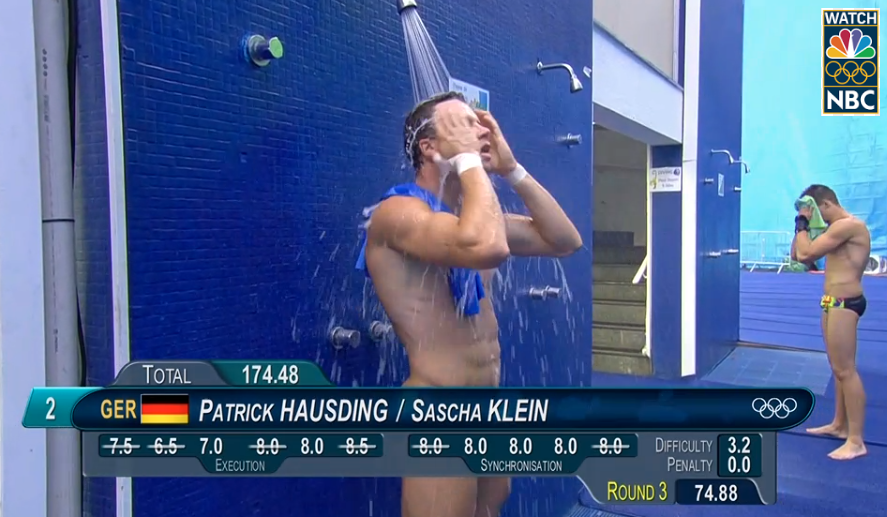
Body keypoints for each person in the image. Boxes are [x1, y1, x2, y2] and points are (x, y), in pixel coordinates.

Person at [356, 91, 582, 517]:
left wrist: (512, 170)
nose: (480, 132)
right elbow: (485, 247)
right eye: (463, 124)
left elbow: (564, 240)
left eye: (479, 125)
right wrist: (467, 160)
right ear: (428, 147)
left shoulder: (472, 220)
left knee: (490, 508)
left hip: (487, 403)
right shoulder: (397, 213)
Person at [794, 184, 871, 460]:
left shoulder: (848, 226)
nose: (816, 216)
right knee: (837, 369)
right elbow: (797, 256)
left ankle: (856, 440)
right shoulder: (832, 229)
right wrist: (801, 225)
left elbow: (806, 254)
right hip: (830, 302)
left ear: (825, 204)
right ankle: (840, 425)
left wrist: (802, 222)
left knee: (846, 370)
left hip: (845, 303)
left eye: (815, 210)